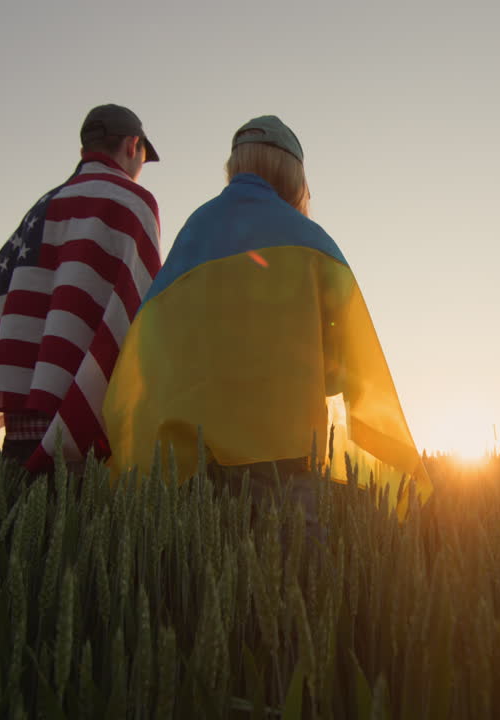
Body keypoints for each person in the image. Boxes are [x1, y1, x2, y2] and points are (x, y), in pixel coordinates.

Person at [102, 115, 430, 520]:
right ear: (293, 174)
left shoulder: (194, 232)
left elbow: (153, 352)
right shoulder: (313, 242)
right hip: (291, 469)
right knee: (297, 579)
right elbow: (347, 370)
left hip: (196, 475)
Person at [0, 103, 163, 473]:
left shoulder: (43, 206)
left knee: (15, 530)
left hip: (22, 427)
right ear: (132, 145)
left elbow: (3, 305)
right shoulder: (133, 203)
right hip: (86, 428)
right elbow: (142, 309)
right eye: (142, 155)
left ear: (83, 151)